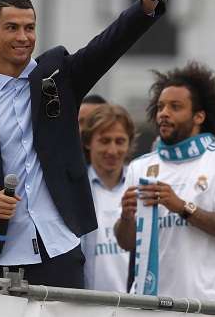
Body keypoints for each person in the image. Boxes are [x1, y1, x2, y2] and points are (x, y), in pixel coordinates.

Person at [0, 0, 169, 288]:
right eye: (12, 28)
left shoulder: (56, 74)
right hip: (1, 255)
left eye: (29, 27)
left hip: (60, 245)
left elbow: (108, 45)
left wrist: (148, 0)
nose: (23, 37)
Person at [115, 61, 215, 302]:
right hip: (149, 305)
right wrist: (126, 218)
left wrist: (182, 207)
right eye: (160, 107)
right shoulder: (140, 166)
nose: (164, 113)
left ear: (199, 116)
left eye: (175, 107)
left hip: (208, 306)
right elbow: (127, 243)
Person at [80, 104, 134, 292]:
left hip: (135, 304)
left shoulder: (140, 186)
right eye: (104, 141)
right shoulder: (76, 188)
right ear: (88, 142)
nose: (112, 151)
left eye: (120, 141)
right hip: (87, 305)